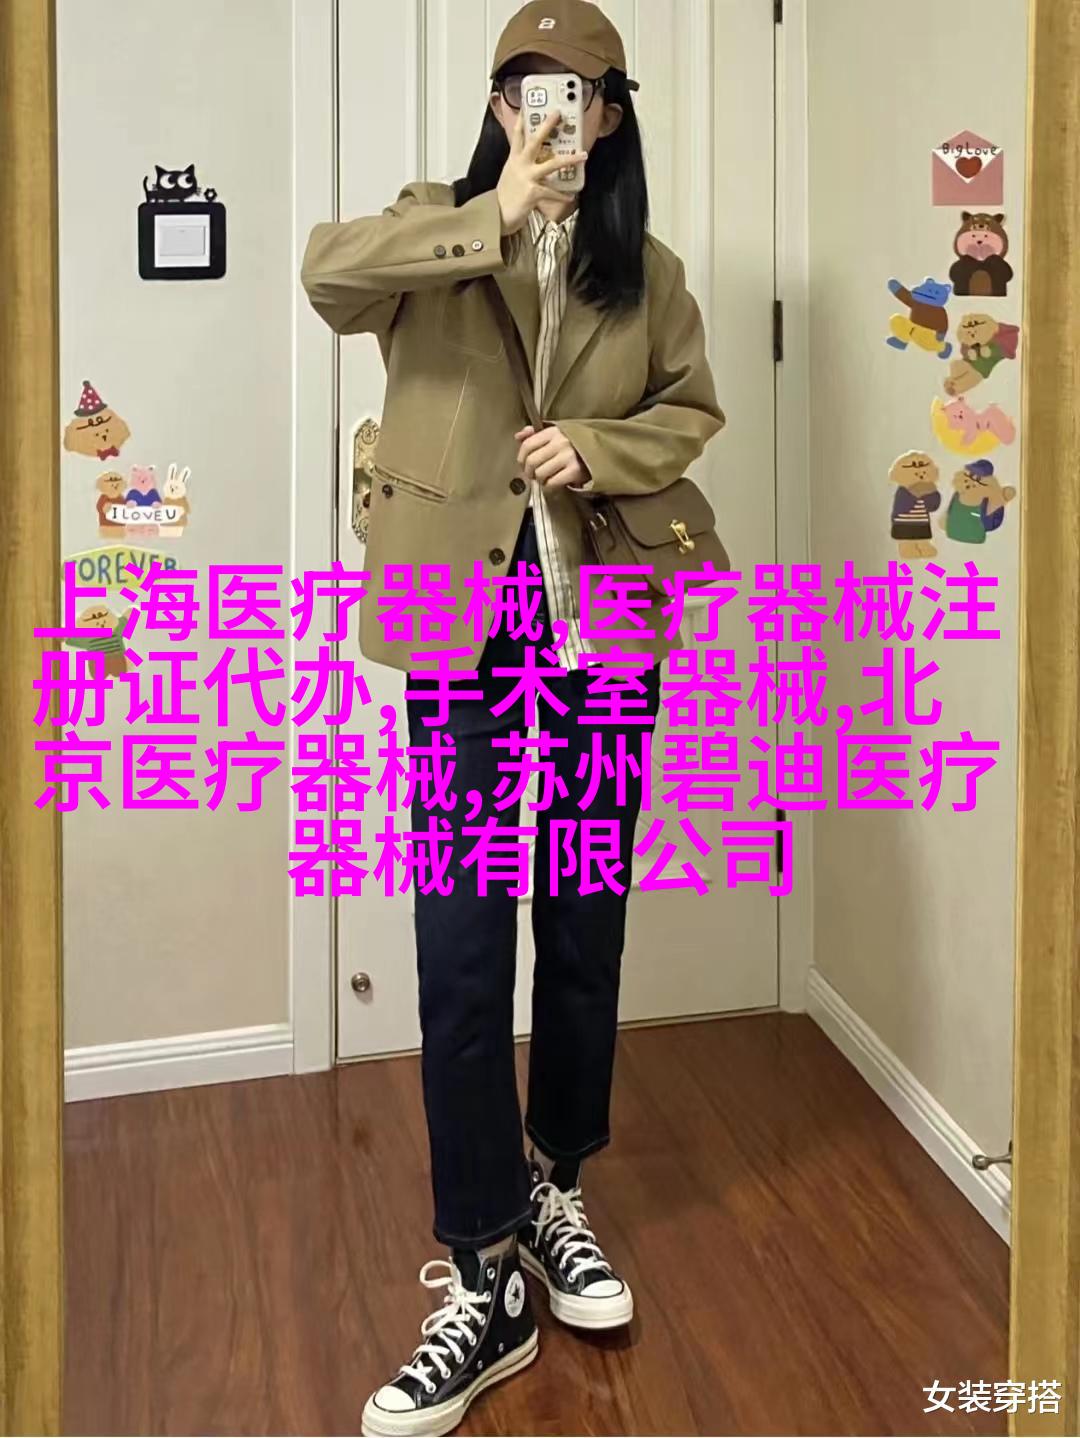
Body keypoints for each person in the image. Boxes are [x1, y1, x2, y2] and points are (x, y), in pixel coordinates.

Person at [301, 2, 724, 1432]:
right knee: (465, 934)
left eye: (579, 93)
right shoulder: (432, 228)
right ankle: (482, 1265)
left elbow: (689, 410)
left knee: (585, 914)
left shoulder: (647, 272)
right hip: (458, 623)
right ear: (499, 110)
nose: (553, 113)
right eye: (527, 89)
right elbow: (325, 276)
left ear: (612, 115)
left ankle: (555, 1186)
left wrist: (595, 447)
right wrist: (489, 216)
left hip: (601, 614)